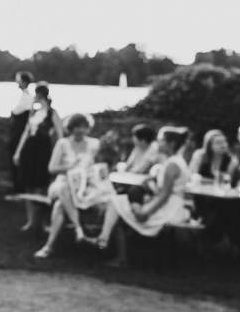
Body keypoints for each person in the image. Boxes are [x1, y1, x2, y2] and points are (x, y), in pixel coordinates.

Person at [93, 126, 192, 266]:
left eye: (161, 141)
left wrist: (146, 211)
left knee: (115, 203)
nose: (158, 144)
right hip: (169, 203)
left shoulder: (172, 165)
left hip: (169, 208)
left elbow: (164, 195)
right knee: (116, 201)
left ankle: (108, 245)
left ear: (171, 144)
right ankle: (106, 240)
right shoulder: (174, 161)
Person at [34, 113, 112, 258]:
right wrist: (71, 167)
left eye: (84, 127)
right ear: (71, 128)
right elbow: (51, 169)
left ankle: (50, 246)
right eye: (77, 127)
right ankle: (77, 228)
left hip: (84, 186)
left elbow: (100, 166)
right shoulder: (63, 143)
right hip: (63, 182)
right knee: (64, 189)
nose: (81, 130)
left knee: (59, 206)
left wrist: (94, 171)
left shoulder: (94, 144)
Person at [13, 82, 64, 231]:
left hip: (43, 152)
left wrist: (58, 155)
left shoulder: (52, 114)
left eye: (35, 95)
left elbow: (60, 135)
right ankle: (30, 220)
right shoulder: (33, 112)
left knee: (41, 186)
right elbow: (25, 133)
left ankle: (41, 221)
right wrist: (18, 152)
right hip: (29, 151)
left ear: (39, 96)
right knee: (28, 185)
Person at [6, 71, 34, 195]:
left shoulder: (26, 97)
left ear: (24, 81)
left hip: (19, 133)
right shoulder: (24, 96)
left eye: (18, 79)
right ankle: (17, 188)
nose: (17, 82)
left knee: (18, 161)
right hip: (17, 131)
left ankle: (18, 189)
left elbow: (16, 112)